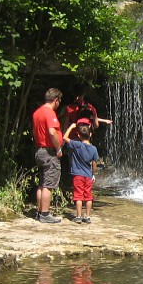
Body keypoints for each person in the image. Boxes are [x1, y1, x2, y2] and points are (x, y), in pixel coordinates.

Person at [32, 88, 64, 223]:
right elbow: (52, 132)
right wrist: (58, 149)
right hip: (49, 151)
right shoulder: (49, 113)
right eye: (59, 102)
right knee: (48, 184)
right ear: (56, 100)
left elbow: (34, 131)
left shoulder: (37, 112)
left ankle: (40, 212)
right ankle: (45, 214)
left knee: (42, 183)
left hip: (40, 150)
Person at [62, 119, 99, 223]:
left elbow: (64, 138)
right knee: (88, 196)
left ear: (79, 136)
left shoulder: (76, 144)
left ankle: (78, 216)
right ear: (90, 134)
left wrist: (71, 127)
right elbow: (94, 163)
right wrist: (93, 174)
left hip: (77, 175)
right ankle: (87, 217)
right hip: (88, 175)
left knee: (78, 195)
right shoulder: (94, 149)